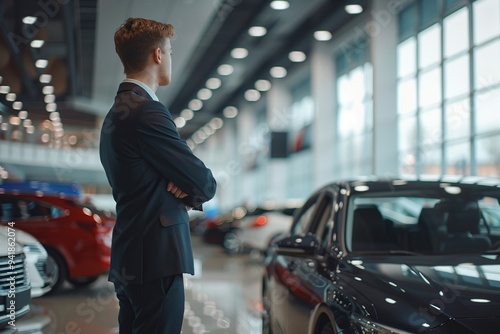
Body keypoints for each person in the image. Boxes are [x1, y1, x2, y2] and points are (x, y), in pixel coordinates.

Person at [99, 17, 217, 334]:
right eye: (170, 51)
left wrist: (182, 182)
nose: (170, 58)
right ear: (157, 55)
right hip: (155, 258)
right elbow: (203, 182)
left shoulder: (117, 112)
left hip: (131, 256)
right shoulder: (146, 111)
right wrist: (188, 184)